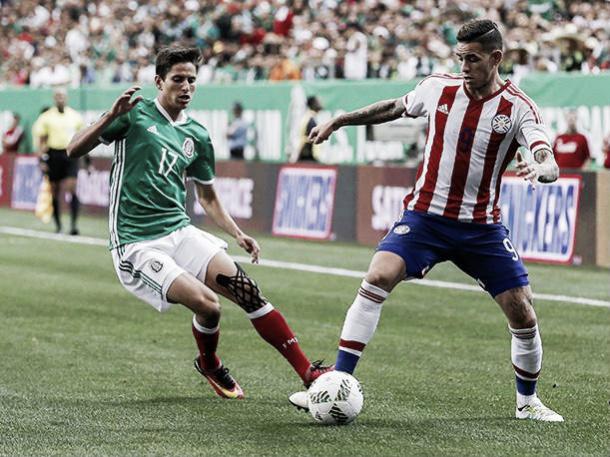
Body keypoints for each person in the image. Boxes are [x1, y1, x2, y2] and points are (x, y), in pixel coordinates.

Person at [290, 20, 563, 422]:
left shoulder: (518, 108)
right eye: (460, 58)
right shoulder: (438, 87)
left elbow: (543, 152)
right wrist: (341, 119)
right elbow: (393, 107)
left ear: (496, 58)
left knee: (522, 311)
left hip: (481, 228)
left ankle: (528, 403)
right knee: (378, 276)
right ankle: (336, 382)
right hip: (425, 217)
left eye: (473, 59)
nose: (465, 66)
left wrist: (546, 167)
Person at [67, 47, 330, 400]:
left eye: (192, 79)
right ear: (159, 82)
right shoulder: (132, 115)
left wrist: (237, 233)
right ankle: (209, 362)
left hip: (179, 230)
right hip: (136, 241)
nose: (186, 86)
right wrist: (108, 117)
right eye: (178, 79)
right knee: (208, 305)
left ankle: (308, 372)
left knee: (247, 291)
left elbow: (207, 196)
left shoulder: (197, 135)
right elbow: (73, 149)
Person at [35, 89, 85, 234]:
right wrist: (42, 159)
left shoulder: (75, 116)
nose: (60, 99)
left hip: (70, 154)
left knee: (72, 188)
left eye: (62, 96)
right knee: (55, 190)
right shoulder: (46, 117)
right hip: (53, 154)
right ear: (54, 99)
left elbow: (82, 136)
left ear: (67, 98)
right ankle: (58, 225)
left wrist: (85, 159)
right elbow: (42, 140)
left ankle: (74, 225)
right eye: (57, 96)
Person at [294, 96, 322, 162]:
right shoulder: (310, 120)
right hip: (308, 156)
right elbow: (309, 138)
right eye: (317, 102)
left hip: (306, 155)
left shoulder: (307, 117)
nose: (320, 104)